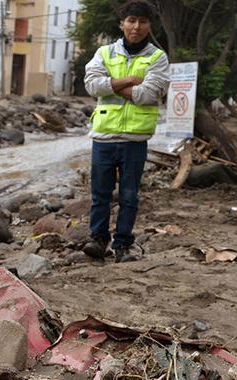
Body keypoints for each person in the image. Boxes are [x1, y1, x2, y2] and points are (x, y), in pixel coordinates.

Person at [82, 0, 170, 263]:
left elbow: (147, 94)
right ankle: (97, 239)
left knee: (129, 195)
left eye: (142, 21)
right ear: (122, 24)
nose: (136, 26)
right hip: (104, 135)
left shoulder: (158, 58)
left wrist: (109, 84)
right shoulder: (105, 53)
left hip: (135, 139)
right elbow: (91, 86)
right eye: (131, 21)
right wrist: (130, 80)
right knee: (100, 194)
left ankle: (123, 244)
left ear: (149, 25)